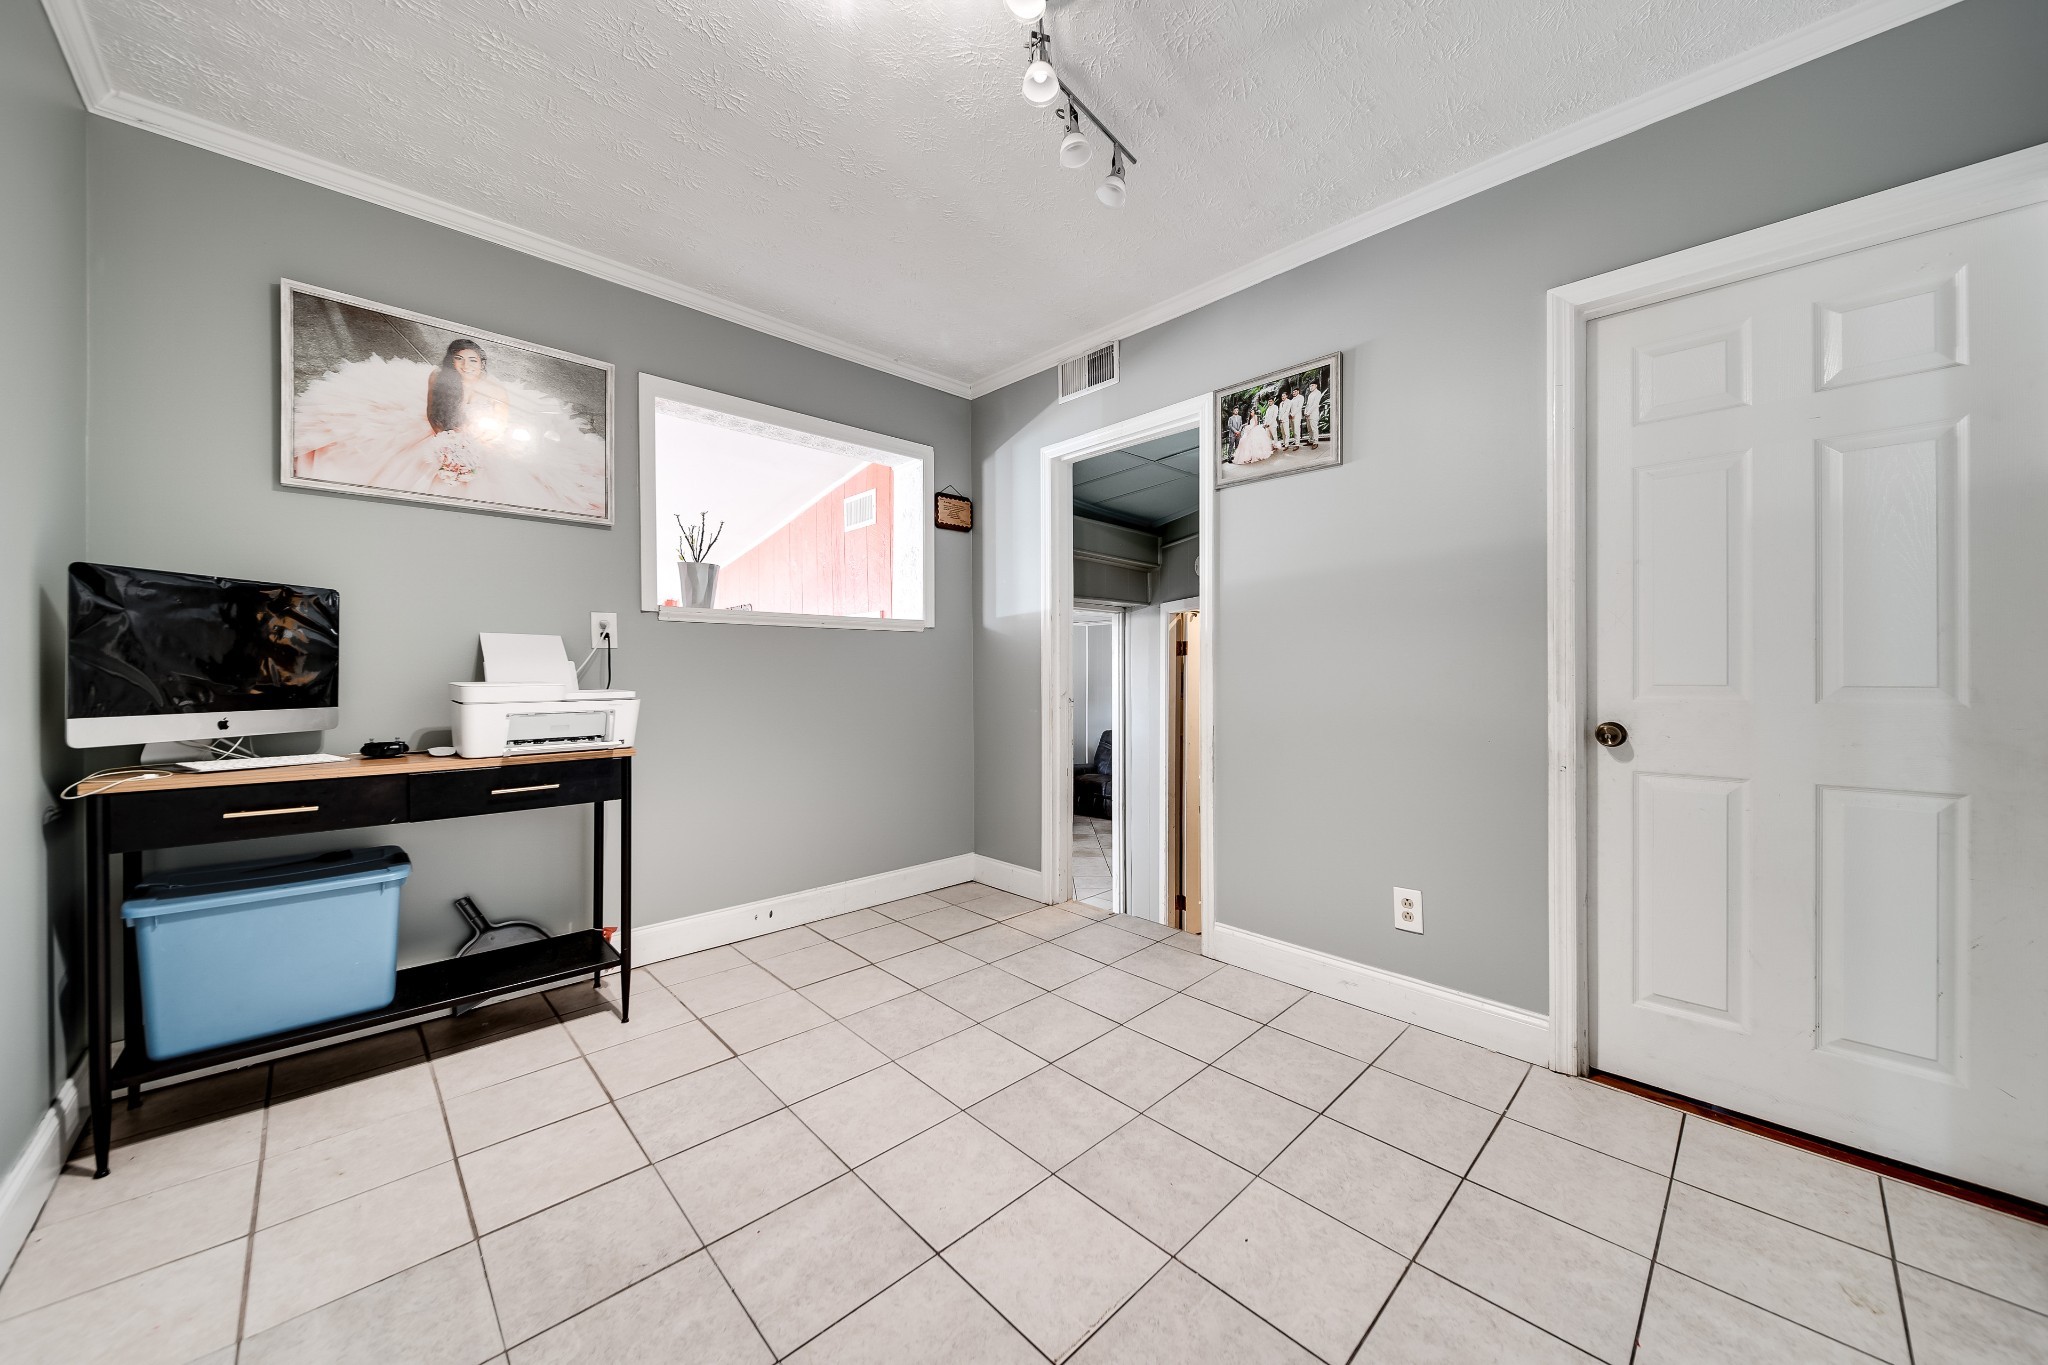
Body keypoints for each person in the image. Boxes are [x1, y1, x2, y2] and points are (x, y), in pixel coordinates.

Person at [290, 334, 607, 518]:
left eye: (473, 361)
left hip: (480, 439)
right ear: (451, 361)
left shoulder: (494, 389)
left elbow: (499, 423)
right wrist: (445, 439)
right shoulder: (438, 378)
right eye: (460, 360)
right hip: (441, 430)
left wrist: (474, 443)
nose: (466, 366)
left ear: (482, 364)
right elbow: (432, 412)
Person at [1303, 377, 1323, 448]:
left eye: (1312, 385)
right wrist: (1305, 412)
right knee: (1309, 428)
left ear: (1316, 385)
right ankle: (1311, 440)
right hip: (1308, 414)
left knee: (1314, 428)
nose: (1311, 387)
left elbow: (1315, 404)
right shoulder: (1310, 394)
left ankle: (1315, 442)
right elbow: (1307, 405)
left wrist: (1308, 413)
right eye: (1310, 385)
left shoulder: (1318, 393)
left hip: (1313, 414)